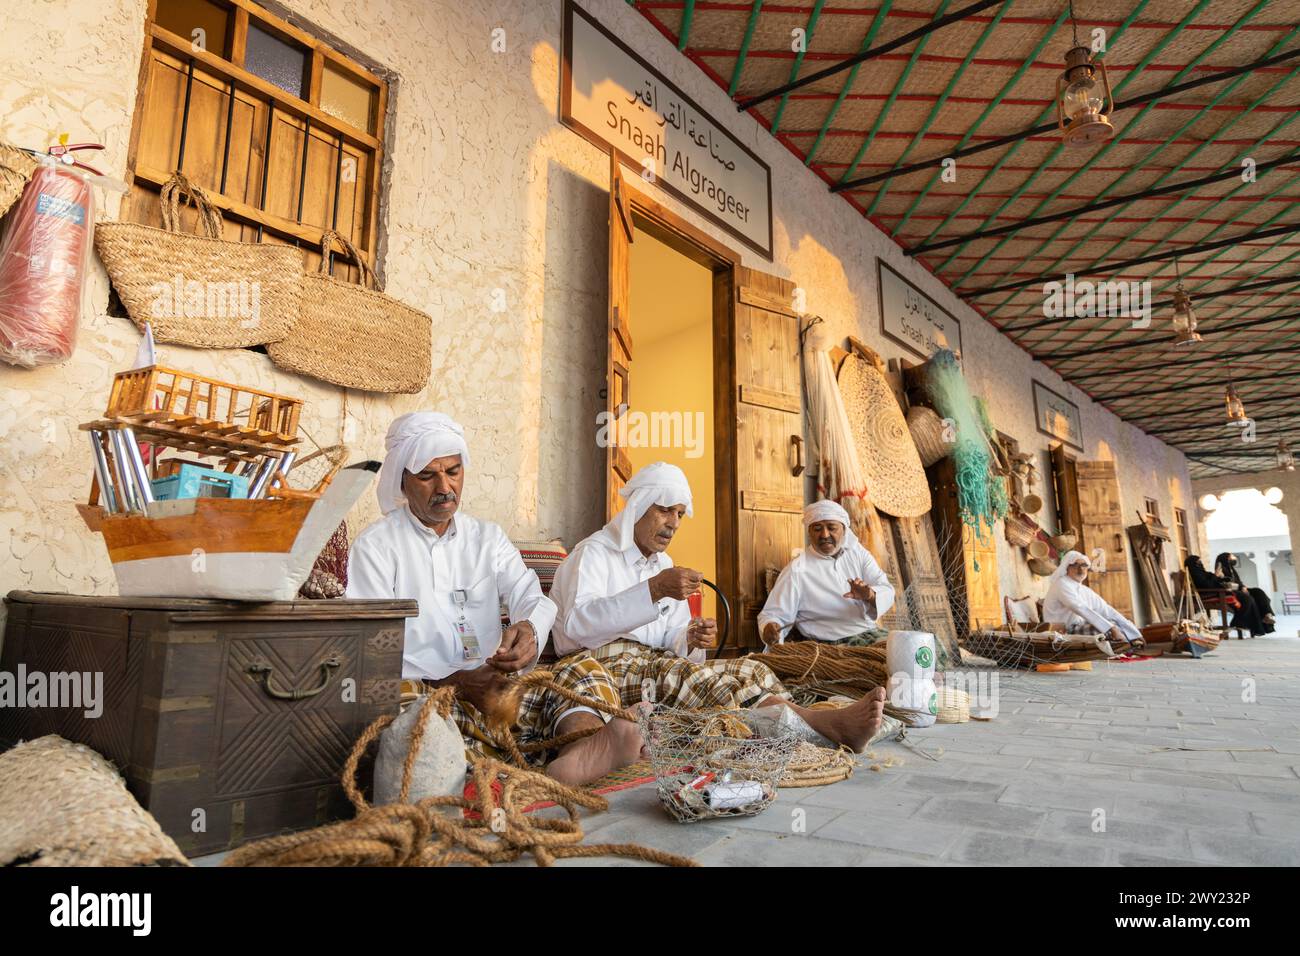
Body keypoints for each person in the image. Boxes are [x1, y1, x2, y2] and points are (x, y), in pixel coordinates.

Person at [346, 412, 644, 785]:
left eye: (453, 471)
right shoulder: (375, 547)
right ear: (402, 481)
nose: (444, 486)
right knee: (404, 711)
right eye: (428, 475)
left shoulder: (487, 538)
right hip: (434, 695)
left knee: (582, 670)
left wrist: (528, 630)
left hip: (500, 691)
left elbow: (532, 597)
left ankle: (580, 751)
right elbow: (371, 653)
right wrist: (454, 683)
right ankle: (511, 773)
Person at [550, 461, 885, 753]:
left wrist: (690, 638)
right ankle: (819, 727)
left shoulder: (661, 563)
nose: (675, 522)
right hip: (606, 662)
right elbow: (577, 626)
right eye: (666, 510)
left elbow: (672, 638)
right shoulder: (594, 553)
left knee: (751, 670)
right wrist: (653, 590)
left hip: (652, 664)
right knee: (686, 676)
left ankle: (789, 729)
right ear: (638, 507)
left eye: (680, 513)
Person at [758, 499, 896, 647]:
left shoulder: (859, 554)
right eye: (817, 528)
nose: (824, 535)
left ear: (843, 529)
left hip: (869, 634)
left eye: (831, 528)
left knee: (910, 653)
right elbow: (773, 615)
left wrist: (869, 595)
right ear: (809, 532)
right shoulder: (796, 569)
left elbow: (887, 589)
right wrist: (769, 627)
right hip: (827, 645)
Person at [1043, 550, 1146, 651]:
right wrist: (1112, 629)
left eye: (1084, 565)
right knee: (1106, 629)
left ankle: (1130, 644)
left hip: (1079, 627)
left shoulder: (1084, 590)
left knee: (1117, 622)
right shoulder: (1061, 584)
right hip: (1063, 632)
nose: (1080, 569)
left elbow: (1107, 610)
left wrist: (1135, 632)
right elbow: (1080, 608)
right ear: (1067, 567)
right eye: (1075, 565)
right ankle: (1126, 647)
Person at [1185, 555, 1269, 636]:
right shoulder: (1195, 574)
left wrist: (1223, 578)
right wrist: (1215, 575)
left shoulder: (1203, 572)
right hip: (1211, 593)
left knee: (1251, 598)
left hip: (1219, 591)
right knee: (1247, 599)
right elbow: (1207, 585)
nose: (1201, 563)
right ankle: (1237, 623)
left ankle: (1242, 624)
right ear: (1193, 563)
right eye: (1198, 561)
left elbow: (1215, 579)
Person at [1214, 552, 1276, 635]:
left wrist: (1243, 587)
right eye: (1232, 557)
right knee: (1250, 599)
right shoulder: (1221, 569)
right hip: (1231, 591)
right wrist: (1220, 576)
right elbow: (1223, 582)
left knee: (1258, 592)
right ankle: (1244, 624)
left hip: (1240, 589)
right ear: (1226, 559)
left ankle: (1267, 615)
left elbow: (1238, 582)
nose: (1234, 559)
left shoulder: (1232, 569)